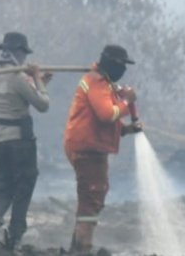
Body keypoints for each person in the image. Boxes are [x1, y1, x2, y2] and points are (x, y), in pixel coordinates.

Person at [63, 45, 142, 255]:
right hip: (86, 149)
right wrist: (127, 100)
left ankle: (78, 246)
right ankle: (83, 248)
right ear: (113, 64)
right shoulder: (96, 82)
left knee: (94, 196)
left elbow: (104, 122)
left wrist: (125, 129)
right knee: (92, 197)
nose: (123, 70)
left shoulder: (104, 83)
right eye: (122, 65)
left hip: (90, 146)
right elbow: (107, 115)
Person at [0, 31, 51, 251]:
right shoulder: (17, 79)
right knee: (24, 187)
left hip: (1, 141)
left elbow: (22, 94)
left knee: (3, 187)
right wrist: (38, 80)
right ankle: (15, 234)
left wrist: (37, 82)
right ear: (19, 53)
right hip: (21, 143)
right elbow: (42, 104)